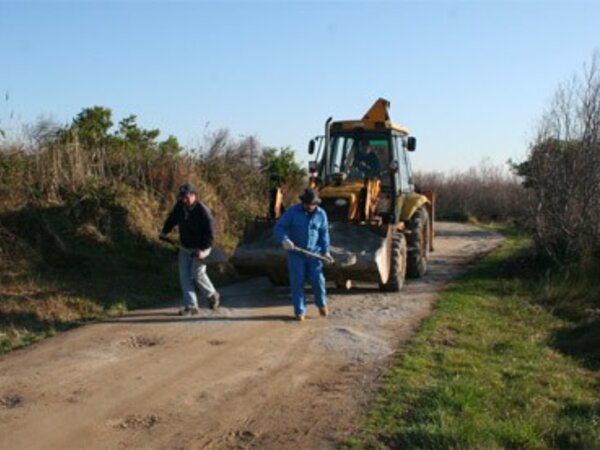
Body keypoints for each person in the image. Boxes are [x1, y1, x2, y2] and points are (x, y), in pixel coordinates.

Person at [160, 183, 220, 316]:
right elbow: (172, 219)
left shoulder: (203, 211)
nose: (184, 200)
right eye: (182, 197)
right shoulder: (180, 206)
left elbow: (210, 235)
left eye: (186, 197)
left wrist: (202, 250)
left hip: (202, 246)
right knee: (184, 276)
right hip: (185, 246)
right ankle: (191, 307)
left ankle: (212, 294)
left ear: (194, 195)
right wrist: (164, 232)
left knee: (197, 274)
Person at [274, 188, 333, 321]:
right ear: (303, 202)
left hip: (314, 254)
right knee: (297, 282)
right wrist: (284, 240)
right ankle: (299, 311)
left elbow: (324, 234)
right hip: (296, 253)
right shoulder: (292, 212)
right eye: (307, 204)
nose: (309, 206)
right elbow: (279, 227)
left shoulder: (321, 214)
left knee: (318, 281)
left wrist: (326, 251)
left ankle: (321, 303)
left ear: (316, 203)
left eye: (311, 204)